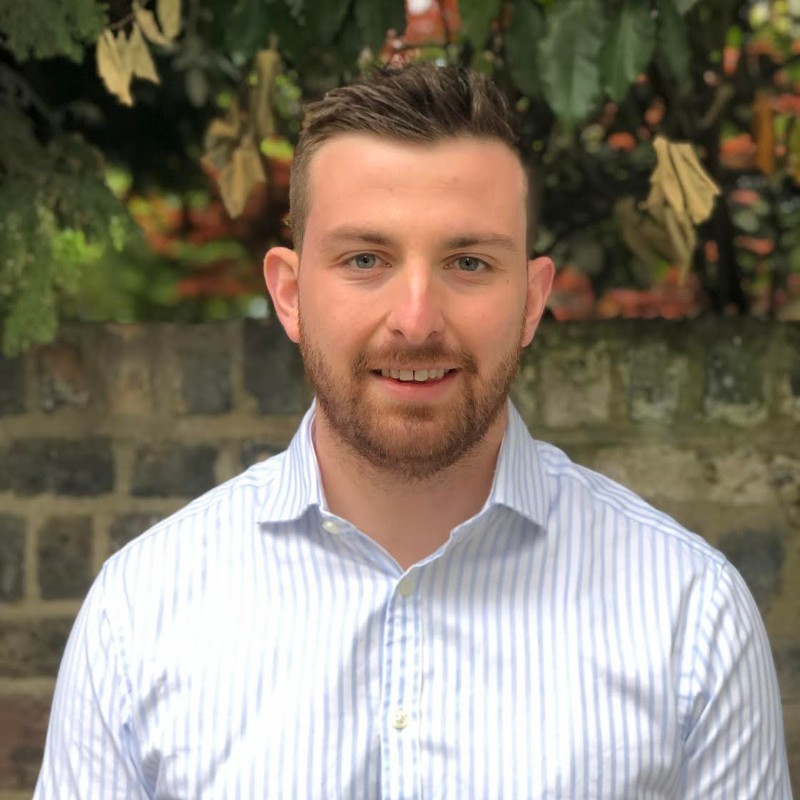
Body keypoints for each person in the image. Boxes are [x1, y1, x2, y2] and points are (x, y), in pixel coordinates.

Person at [35, 64, 791, 799]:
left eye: (469, 262)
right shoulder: (141, 612)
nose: (417, 320)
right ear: (290, 296)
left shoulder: (689, 614)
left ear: (531, 303)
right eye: (366, 259)